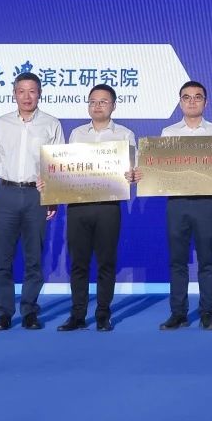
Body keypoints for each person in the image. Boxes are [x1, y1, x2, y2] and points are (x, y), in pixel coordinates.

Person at [0, 72, 62, 331]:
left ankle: (29, 311)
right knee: (3, 258)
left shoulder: (51, 124)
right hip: (6, 193)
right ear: (14, 94)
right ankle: (4, 312)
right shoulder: (0, 124)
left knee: (34, 257)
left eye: (32, 91)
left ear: (40, 94)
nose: (27, 96)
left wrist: (54, 197)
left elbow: (58, 164)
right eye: (21, 91)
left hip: (37, 196)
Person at [54, 84, 136, 333]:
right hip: (78, 206)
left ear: (114, 105)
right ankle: (77, 315)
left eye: (103, 101)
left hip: (108, 206)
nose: (97, 106)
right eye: (93, 101)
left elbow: (133, 172)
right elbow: (66, 169)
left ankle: (102, 314)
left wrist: (132, 175)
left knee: (106, 262)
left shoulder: (125, 135)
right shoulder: (77, 134)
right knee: (78, 263)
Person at [155, 80, 212, 331]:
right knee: (177, 260)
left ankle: (207, 313)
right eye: (186, 97)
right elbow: (160, 170)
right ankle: (178, 313)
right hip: (177, 203)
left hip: (206, 203)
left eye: (198, 97)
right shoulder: (168, 133)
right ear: (180, 102)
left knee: (206, 260)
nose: (192, 101)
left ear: (206, 103)